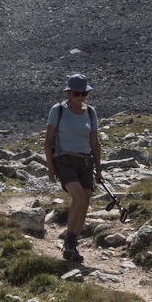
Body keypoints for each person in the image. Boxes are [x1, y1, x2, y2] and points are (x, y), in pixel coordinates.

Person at [45, 73, 102, 263]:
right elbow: (47, 140)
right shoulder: (58, 109)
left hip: (85, 161)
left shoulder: (90, 112)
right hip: (64, 159)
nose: (80, 97)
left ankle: (73, 243)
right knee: (78, 197)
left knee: (85, 200)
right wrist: (51, 168)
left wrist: (99, 169)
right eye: (76, 93)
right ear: (69, 93)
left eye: (83, 93)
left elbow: (95, 142)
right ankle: (69, 240)